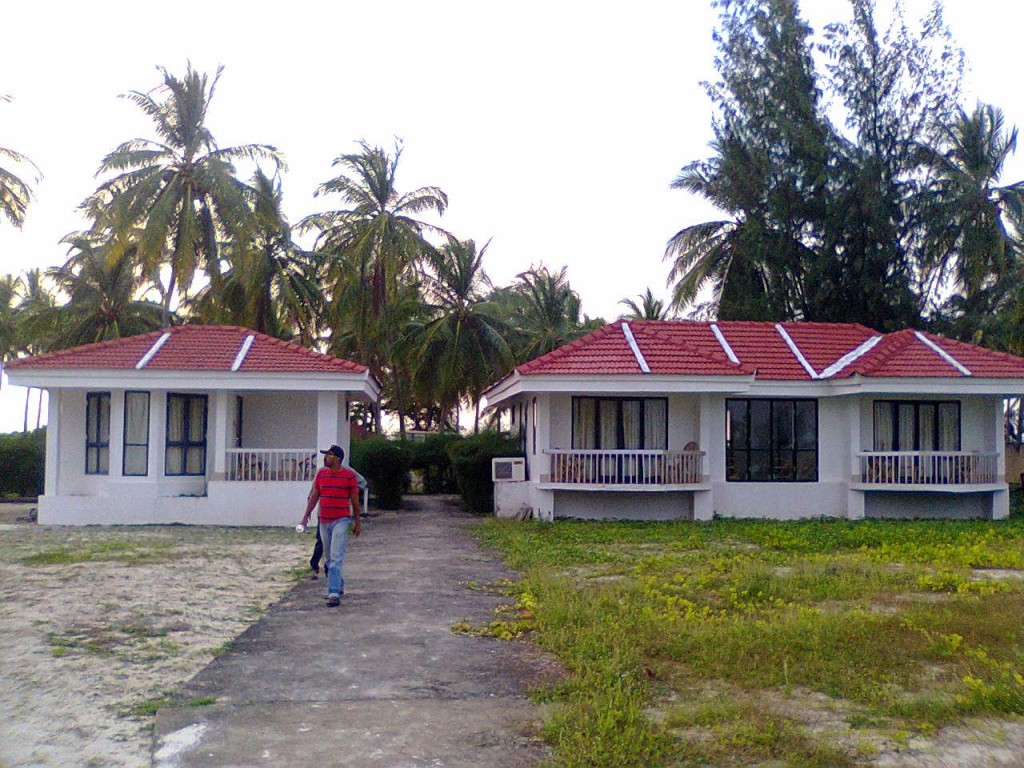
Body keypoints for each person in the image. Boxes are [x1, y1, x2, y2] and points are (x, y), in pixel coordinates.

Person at [299, 445, 361, 607]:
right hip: (324, 520)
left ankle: (333, 592)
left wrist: (357, 522)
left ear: (338, 459)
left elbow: (354, 500)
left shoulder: (349, 476)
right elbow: (314, 496)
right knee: (328, 557)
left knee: (335, 557)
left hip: (341, 520)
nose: (325, 457)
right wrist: (306, 516)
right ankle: (338, 583)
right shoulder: (321, 474)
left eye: (329, 455)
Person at [309, 465, 367, 580]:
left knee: (335, 552)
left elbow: (362, 483)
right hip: (324, 514)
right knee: (323, 543)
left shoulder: (348, 473)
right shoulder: (321, 473)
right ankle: (318, 565)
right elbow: (314, 493)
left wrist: (348, 493)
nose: (326, 458)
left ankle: (333, 581)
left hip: (339, 515)